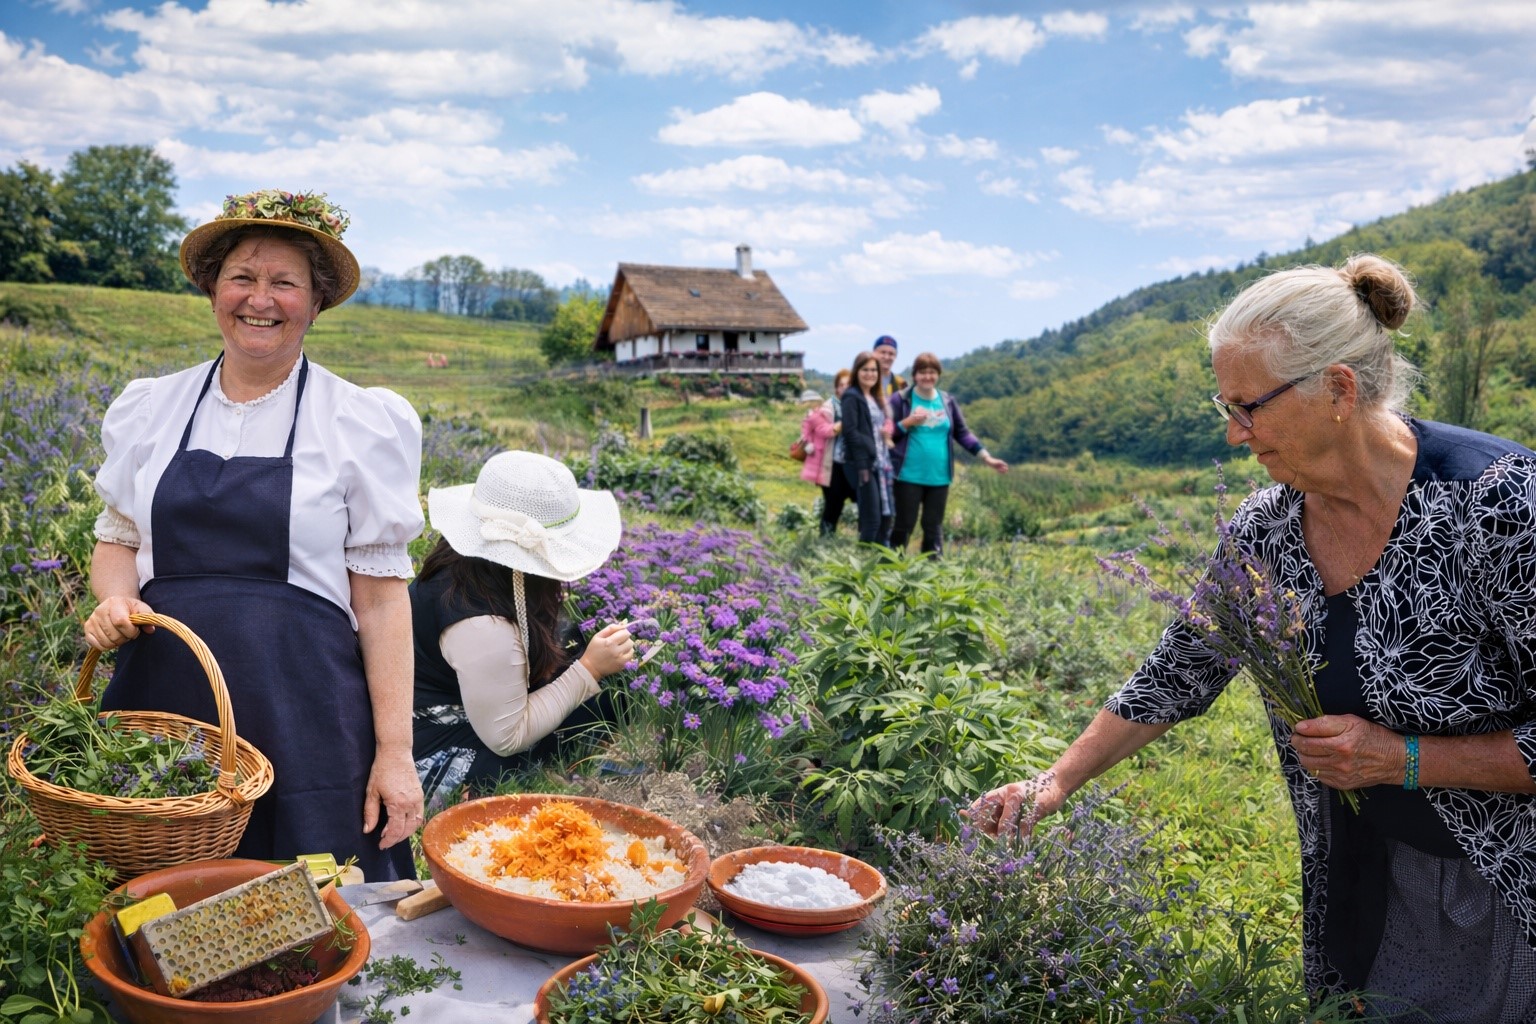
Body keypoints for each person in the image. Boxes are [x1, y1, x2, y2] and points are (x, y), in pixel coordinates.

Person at [971, 254, 1536, 1021]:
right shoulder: (1270, 528)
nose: (1235, 436)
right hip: (1366, 874)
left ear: (1338, 390)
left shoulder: (1498, 505)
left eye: (1249, 407)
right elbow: (1178, 671)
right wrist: (1055, 783)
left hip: (1505, 886)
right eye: (1225, 407)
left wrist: (1404, 759)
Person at [82, 190, 425, 880]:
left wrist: (395, 752)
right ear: (214, 290)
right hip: (166, 702)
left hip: (306, 712)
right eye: (241, 277)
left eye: (284, 283)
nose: (259, 299)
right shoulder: (153, 406)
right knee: (154, 896)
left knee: (314, 901)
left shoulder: (358, 422)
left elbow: (383, 602)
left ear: (317, 301)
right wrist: (115, 599)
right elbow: (118, 539)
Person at [411, 451, 633, 810]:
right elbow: (506, 737)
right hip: (429, 732)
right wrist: (589, 669)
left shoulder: (470, 566)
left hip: (458, 693)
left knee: (605, 692)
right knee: (583, 711)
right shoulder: (483, 626)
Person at [888, 352, 1008, 555]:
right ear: (914, 375)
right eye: (922, 372)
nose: (927, 377)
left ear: (938, 375)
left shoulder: (947, 401)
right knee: (904, 524)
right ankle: (890, 566)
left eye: (932, 372)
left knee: (933, 526)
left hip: (939, 476)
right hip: (907, 474)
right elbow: (885, 433)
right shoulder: (901, 399)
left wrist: (986, 457)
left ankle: (933, 568)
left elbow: (963, 433)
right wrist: (907, 422)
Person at [841, 351, 894, 546]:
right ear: (857, 371)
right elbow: (851, 432)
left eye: (874, 370)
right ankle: (863, 558)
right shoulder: (851, 396)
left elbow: (877, 425)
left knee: (884, 515)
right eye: (865, 370)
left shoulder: (874, 396)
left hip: (880, 462)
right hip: (862, 464)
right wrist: (870, 448)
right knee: (871, 519)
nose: (870, 374)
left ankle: (881, 558)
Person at [815, 369, 858, 536]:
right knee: (833, 505)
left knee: (864, 503)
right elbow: (821, 430)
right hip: (833, 465)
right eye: (842, 385)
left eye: (849, 384)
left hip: (854, 465)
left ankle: (864, 544)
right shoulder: (829, 406)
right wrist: (840, 425)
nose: (845, 388)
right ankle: (825, 542)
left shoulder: (858, 404)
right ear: (836, 388)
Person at [872, 335, 907, 401]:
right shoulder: (863, 380)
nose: (886, 357)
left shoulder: (901, 383)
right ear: (874, 353)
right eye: (883, 352)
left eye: (891, 354)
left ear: (895, 356)